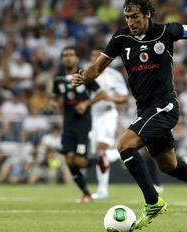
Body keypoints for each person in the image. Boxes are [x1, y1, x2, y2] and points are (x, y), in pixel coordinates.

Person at [71, 0, 187, 229]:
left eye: (135, 17)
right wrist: (84, 76)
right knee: (168, 165)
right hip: (145, 110)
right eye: (127, 17)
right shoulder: (121, 39)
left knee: (124, 145)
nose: (130, 22)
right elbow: (97, 68)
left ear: (148, 14)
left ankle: (152, 202)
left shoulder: (166, 31)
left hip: (165, 106)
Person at [52, 47, 108, 203]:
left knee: (79, 161)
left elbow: (102, 94)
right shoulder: (58, 79)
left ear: (76, 58)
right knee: (69, 159)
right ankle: (86, 193)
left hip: (83, 123)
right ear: (62, 59)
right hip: (68, 124)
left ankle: (99, 159)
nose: (68, 58)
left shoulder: (85, 75)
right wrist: (54, 104)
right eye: (65, 55)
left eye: (71, 55)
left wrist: (86, 103)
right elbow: (56, 97)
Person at [87, 48, 130, 200]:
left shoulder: (114, 76)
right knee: (94, 154)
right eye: (94, 56)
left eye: (99, 57)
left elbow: (124, 98)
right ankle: (117, 154)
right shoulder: (87, 74)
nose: (97, 59)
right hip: (91, 116)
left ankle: (102, 189)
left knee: (100, 149)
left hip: (108, 115)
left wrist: (109, 98)